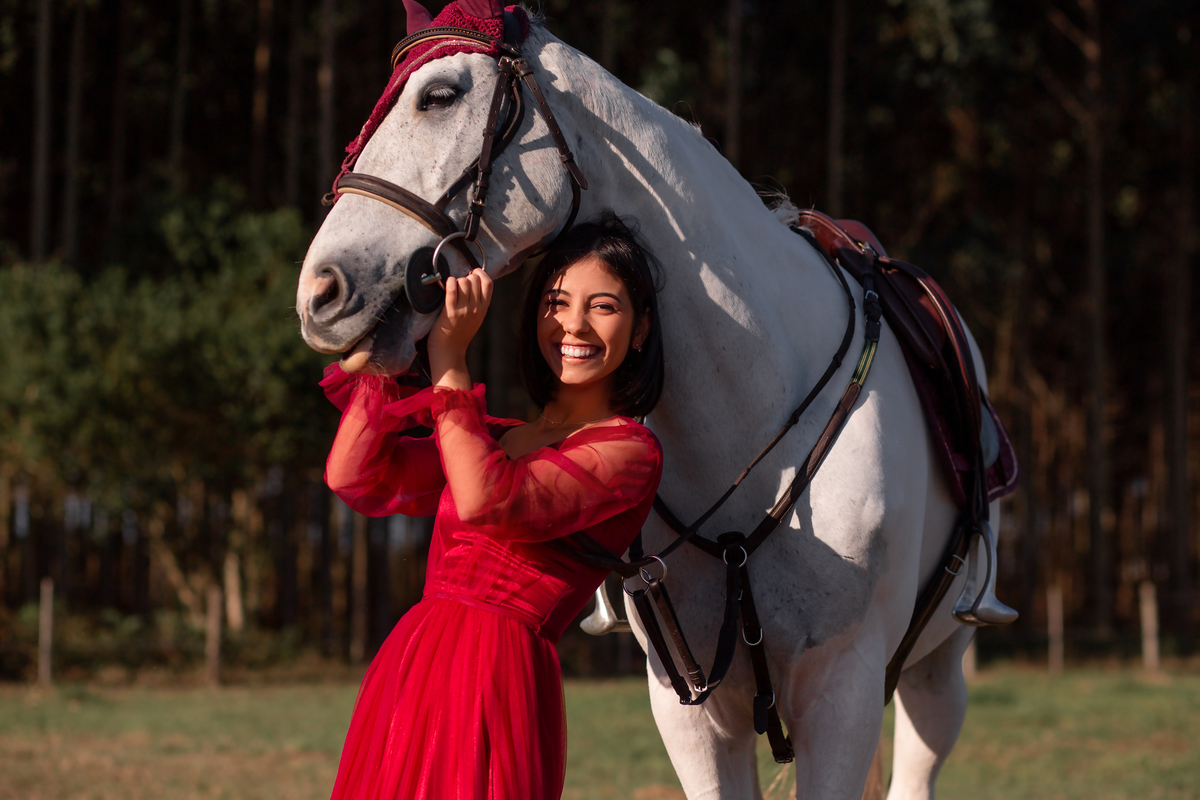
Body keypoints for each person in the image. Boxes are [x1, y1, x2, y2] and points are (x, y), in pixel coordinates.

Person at [320, 213, 666, 800]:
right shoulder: (490, 436)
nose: (573, 324)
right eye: (556, 302)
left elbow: (488, 500)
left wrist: (452, 364)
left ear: (639, 330)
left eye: (603, 306)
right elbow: (355, 475)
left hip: (496, 679)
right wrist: (396, 345)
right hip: (414, 664)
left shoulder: (629, 451)